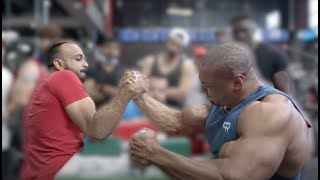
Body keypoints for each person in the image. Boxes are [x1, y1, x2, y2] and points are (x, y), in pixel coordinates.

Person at [129, 43, 313, 180]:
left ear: (237, 82)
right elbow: (176, 120)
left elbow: (231, 176)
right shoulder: (225, 100)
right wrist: (137, 96)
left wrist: (155, 154)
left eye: (207, 87)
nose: (202, 92)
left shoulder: (271, 114)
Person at [20, 41, 148, 180]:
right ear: (59, 64)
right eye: (78, 59)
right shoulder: (64, 76)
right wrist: (125, 93)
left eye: (85, 59)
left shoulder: (47, 83)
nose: (86, 64)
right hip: (59, 169)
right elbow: (97, 131)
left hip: (44, 170)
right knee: (138, 163)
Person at [230, 15, 292, 94]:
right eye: (236, 32)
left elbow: (287, 92)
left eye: (245, 30)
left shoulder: (274, 54)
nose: (240, 35)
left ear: (254, 29)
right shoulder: (230, 57)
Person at [139, 27, 196, 109]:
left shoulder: (187, 65)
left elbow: (183, 94)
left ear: (183, 47)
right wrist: (166, 92)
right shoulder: (150, 61)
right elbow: (140, 88)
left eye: (178, 45)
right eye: (173, 42)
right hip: (148, 109)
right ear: (167, 41)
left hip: (174, 111)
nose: (175, 46)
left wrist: (153, 91)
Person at [84, 36, 126, 108]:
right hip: (95, 108)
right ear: (101, 48)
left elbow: (123, 94)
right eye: (108, 47)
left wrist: (102, 88)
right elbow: (89, 93)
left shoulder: (122, 70)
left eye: (115, 48)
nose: (111, 51)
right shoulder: (92, 69)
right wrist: (106, 90)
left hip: (116, 110)